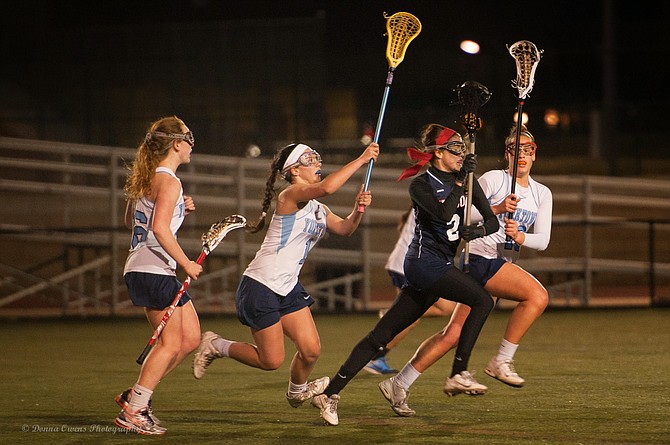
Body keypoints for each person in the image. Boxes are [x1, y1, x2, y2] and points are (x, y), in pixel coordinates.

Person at [311, 124, 499, 425]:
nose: (461, 154)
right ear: (438, 153)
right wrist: (462, 183)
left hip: (437, 266)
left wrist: (476, 230)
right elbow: (440, 213)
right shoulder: (422, 185)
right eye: (455, 149)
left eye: (463, 149)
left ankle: (331, 393)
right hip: (423, 264)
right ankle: (459, 371)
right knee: (482, 301)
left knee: (380, 336)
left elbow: (492, 222)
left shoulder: (466, 181)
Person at [380, 124, 553, 416]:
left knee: (453, 335)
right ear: (506, 153)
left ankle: (400, 382)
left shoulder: (541, 193)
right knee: (537, 296)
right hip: (481, 258)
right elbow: (465, 211)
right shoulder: (495, 179)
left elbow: (543, 240)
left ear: (535, 154)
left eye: (528, 149)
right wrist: (496, 209)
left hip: (503, 261)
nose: (521, 155)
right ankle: (501, 360)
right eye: (514, 149)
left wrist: (521, 237)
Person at [192, 142, 379, 410]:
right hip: (261, 285)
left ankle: (295, 393)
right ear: (293, 170)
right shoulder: (289, 196)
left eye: (317, 157)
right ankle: (216, 344)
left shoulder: (318, 208)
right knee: (271, 361)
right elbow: (327, 187)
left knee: (311, 349)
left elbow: (346, 228)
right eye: (310, 159)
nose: (318, 163)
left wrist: (358, 210)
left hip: (287, 285)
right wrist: (362, 158)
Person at [114, 116, 202, 435]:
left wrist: (180, 209)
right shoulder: (170, 181)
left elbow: (132, 222)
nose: (192, 145)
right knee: (169, 343)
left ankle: (134, 394)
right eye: (188, 139)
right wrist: (187, 262)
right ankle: (135, 410)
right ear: (177, 144)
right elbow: (159, 228)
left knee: (190, 337)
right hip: (153, 268)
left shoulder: (150, 178)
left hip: (148, 266)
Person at [363, 208, 455, 375]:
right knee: (410, 318)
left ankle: (391, 316)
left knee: (446, 307)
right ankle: (375, 357)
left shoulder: (436, 196)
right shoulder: (435, 198)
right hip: (409, 264)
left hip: (411, 263)